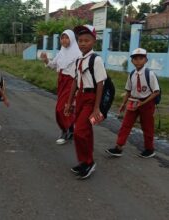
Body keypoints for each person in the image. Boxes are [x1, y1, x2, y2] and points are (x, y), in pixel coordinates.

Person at [64, 25, 107, 179]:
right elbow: (75, 81)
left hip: (91, 98)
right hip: (80, 98)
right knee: (81, 132)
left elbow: (101, 83)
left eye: (86, 40)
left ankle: (89, 162)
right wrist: (69, 103)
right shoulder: (79, 60)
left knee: (80, 131)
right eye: (80, 40)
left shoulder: (96, 60)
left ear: (93, 41)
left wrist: (96, 108)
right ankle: (84, 161)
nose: (82, 43)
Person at [105, 48, 160, 158]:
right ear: (132, 61)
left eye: (141, 58)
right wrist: (123, 104)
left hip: (147, 103)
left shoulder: (150, 74)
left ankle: (149, 149)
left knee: (147, 127)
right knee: (126, 125)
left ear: (146, 60)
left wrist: (143, 103)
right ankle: (118, 147)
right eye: (135, 59)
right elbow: (128, 91)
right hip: (133, 102)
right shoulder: (132, 74)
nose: (138, 61)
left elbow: (156, 92)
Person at [40, 30, 81, 145]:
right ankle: (71, 129)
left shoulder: (78, 54)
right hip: (61, 81)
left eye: (66, 37)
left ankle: (64, 130)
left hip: (71, 82)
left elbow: (79, 72)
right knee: (66, 107)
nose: (63, 40)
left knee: (60, 109)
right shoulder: (61, 52)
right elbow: (53, 65)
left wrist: (77, 87)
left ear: (72, 39)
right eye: (62, 38)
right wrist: (46, 60)